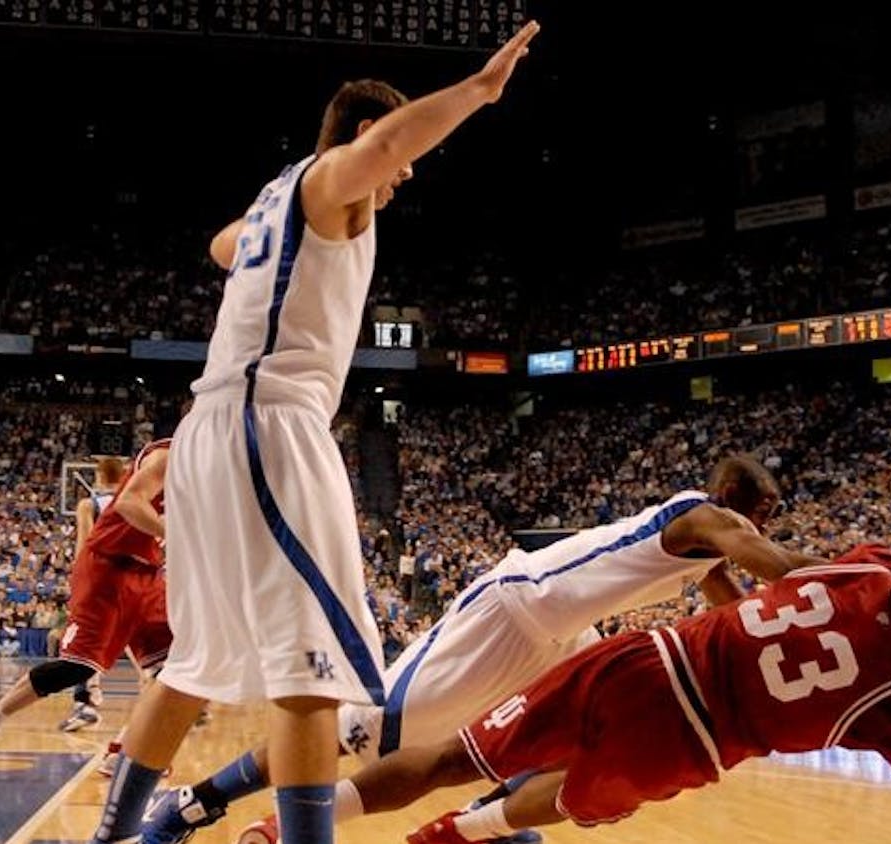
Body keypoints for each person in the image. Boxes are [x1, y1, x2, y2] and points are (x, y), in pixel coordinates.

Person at [82, 22, 543, 844]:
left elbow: (223, 246)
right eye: (396, 156)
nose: (405, 172)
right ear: (365, 136)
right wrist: (478, 90)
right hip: (270, 425)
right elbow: (386, 145)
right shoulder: (333, 179)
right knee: (311, 671)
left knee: (193, 664)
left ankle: (112, 836)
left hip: (212, 430)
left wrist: (267, 241)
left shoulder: (282, 195)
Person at [143, 456, 825, 844]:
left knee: (593, 730)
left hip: (560, 635)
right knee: (365, 732)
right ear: (741, 501)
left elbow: (738, 604)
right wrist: (862, 577)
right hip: (513, 609)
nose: (763, 521)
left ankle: (487, 822)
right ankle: (197, 803)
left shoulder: (700, 543)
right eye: (764, 510)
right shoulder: (711, 518)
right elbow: (771, 566)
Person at [321, 546, 891, 844]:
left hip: (645, 656)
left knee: (453, 758)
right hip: (687, 737)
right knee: (571, 799)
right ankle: (455, 834)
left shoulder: (873, 563)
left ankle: (292, 824)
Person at [0, 441, 170, 780]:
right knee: (76, 667)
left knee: (174, 668)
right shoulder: (169, 456)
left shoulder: (221, 474)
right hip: (106, 568)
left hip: (147, 575)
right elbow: (129, 502)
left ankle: (125, 749)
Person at [60, 457, 127, 734]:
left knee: (85, 644)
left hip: (100, 578)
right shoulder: (133, 501)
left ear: (98, 476)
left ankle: (85, 704)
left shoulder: (89, 505)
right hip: (133, 577)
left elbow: (85, 547)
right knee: (136, 644)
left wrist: (79, 583)